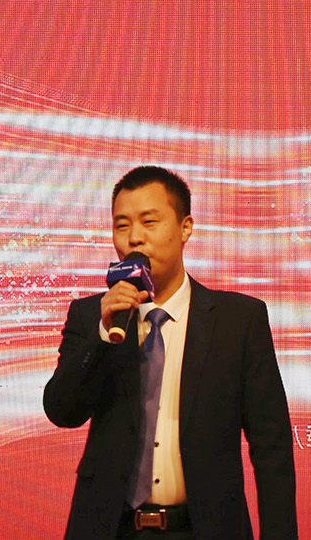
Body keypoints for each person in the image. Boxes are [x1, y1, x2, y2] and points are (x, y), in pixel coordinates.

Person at [44, 165, 297, 540]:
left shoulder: (238, 320)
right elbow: (61, 411)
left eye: (149, 222)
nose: (134, 238)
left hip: (205, 530)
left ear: (185, 228)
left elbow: (271, 445)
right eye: (122, 225)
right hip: (111, 529)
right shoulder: (92, 316)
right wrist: (103, 336)